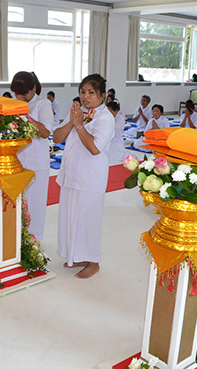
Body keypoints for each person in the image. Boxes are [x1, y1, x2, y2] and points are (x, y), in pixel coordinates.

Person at [53, 74, 115, 279]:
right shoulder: (78, 112)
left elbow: (94, 148)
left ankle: (93, 261)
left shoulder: (106, 118)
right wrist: (73, 121)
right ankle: (77, 255)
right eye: (82, 92)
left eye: (91, 92)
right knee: (71, 217)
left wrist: (79, 124)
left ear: (103, 96)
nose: (85, 97)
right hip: (72, 173)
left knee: (88, 219)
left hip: (90, 177)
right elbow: (57, 137)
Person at [11, 71, 53, 242]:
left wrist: (24, 114)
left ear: (33, 88)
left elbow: (45, 132)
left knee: (35, 204)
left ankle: (34, 240)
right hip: (17, 160)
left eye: (24, 93)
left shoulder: (43, 104)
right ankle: (16, 238)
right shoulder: (13, 103)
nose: (20, 97)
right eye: (17, 93)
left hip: (37, 162)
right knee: (17, 202)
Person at [106, 99, 126, 163]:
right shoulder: (108, 118)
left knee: (114, 158)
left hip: (117, 141)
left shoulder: (120, 119)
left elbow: (113, 130)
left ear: (116, 111)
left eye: (110, 112)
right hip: (108, 141)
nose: (108, 114)